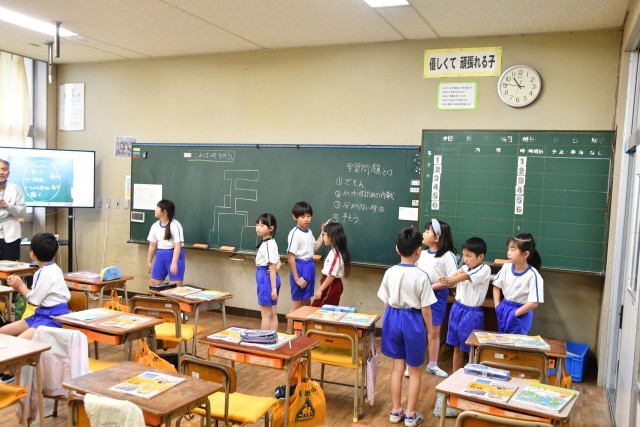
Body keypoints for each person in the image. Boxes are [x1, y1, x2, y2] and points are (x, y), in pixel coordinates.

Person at [377, 227, 436, 427]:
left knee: (397, 369)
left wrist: (391, 319)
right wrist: (430, 332)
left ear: (397, 249)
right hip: (413, 321)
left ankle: (396, 411)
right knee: (415, 371)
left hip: (392, 318)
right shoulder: (421, 276)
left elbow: (385, 302)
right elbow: (426, 309)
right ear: (419, 250)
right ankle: (410, 415)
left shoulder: (390, 272)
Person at [435, 237, 492, 417]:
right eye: (464, 255)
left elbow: (460, 278)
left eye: (469, 256)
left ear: (481, 257)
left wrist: (449, 280)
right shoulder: (466, 267)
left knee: (471, 351)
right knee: (456, 347)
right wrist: (450, 278)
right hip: (457, 309)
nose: (465, 259)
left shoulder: (484, 269)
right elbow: (455, 277)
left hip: (471, 313)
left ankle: (470, 385)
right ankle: (455, 380)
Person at [0, 233, 70, 340]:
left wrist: (20, 286)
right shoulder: (54, 268)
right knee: (2, 332)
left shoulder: (44, 273)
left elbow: (34, 300)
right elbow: (37, 294)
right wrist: (18, 287)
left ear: (32, 253)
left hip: (52, 318)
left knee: (19, 343)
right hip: (41, 314)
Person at [414, 218, 457, 379]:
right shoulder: (421, 253)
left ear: (437, 237)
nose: (423, 234)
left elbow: (452, 280)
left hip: (437, 297)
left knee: (433, 332)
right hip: (419, 296)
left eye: (427, 231)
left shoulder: (447, 256)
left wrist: (430, 287)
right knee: (417, 330)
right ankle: (413, 364)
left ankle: (432, 364)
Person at [493, 233, 543, 334]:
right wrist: (497, 306)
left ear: (525, 254)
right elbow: (496, 286)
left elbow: (534, 303)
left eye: (513, 249)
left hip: (520, 312)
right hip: (503, 308)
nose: (508, 253)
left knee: (516, 341)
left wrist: (515, 313)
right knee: (502, 339)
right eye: (508, 249)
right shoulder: (506, 267)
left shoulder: (533, 275)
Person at [286, 201, 322, 332]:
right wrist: (297, 278)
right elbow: (290, 257)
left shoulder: (309, 232)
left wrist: (323, 233)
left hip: (310, 266)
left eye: (308, 216)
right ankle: (289, 334)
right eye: (303, 216)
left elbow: (315, 248)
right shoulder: (295, 233)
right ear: (295, 217)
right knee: (296, 305)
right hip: (299, 267)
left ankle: (304, 334)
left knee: (307, 304)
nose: (307, 219)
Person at [147, 199, 186, 286]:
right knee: (154, 284)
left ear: (164, 212)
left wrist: (174, 263)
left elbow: (177, 245)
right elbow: (152, 245)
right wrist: (149, 261)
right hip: (161, 255)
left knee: (176, 286)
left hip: (174, 255)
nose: (155, 209)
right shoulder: (155, 226)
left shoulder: (175, 225)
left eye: (157, 207)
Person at [312, 222, 351, 307]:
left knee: (316, 309)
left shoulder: (335, 254)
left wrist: (320, 290)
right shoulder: (334, 251)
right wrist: (324, 230)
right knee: (326, 310)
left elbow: (331, 275)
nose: (323, 237)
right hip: (330, 284)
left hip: (331, 285)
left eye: (324, 235)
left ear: (330, 236)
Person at [255, 213, 281, 330]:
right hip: (270, 276)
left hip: (266, 279)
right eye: (257, 225)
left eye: (262, 225)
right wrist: (274, 270)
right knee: (272, 312)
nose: (258, 228)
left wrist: (273, 288)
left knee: (266, 315)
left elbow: (272, 265)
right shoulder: (272, 242)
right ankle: (273, 338)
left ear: (271, 228)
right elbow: (278, 262)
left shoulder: (267, 245)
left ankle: (264, 339)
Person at [0, 159, 26, 262]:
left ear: (8, 172)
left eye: (4, 169)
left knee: (11, 269)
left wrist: (7, 206)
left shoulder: (16, 189)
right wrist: (10, 214)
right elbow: (16, 212)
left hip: (12, 237)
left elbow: (22, 212)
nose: (1, 172)